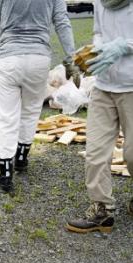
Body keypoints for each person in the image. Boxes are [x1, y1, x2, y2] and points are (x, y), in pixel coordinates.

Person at [0, 0, 80, 193]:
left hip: (10, 59)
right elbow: (62, 22)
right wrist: (70, 60)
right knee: (31, 111)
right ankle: (22, 157)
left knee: (7, 116)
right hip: (39, 59)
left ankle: (5, 171)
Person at [66, 0, 133, 233]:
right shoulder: (100, 1)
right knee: (95, 152)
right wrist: (96, 49)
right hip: (104, 86)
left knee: (131, 154)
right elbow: (98, 30)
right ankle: (102, 210)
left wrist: (124, 46)